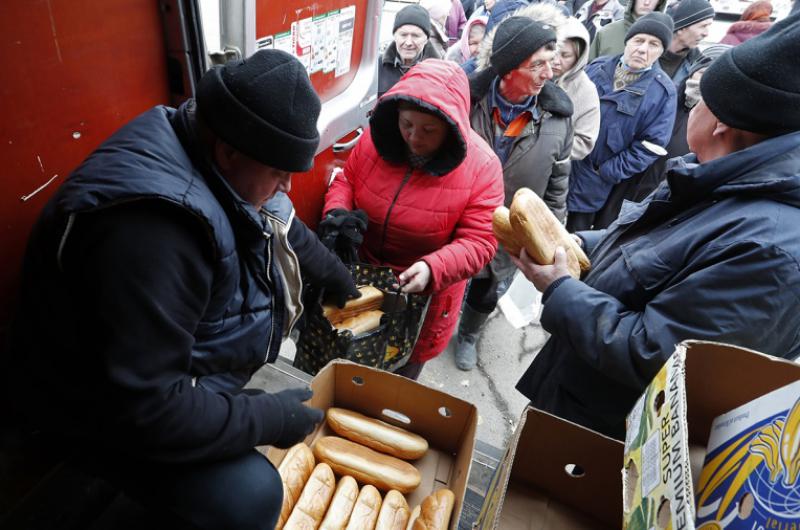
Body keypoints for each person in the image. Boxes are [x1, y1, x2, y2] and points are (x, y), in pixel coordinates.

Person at [5, 50, 361, 528]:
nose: (288, 186)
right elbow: (145, 409)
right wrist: (266, 418)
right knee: (251, 494)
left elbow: (282, 221)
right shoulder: (154, 231)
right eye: (279, 172)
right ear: (230, 151)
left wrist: (338, 278)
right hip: (86, 409)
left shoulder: (210, 140)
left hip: (155, 370)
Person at [512, 11, 800, 440]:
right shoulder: (717, 178)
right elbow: (649, 247)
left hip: (603, 439)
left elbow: (660, 354)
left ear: (722, 123)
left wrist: (559, 290)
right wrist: (575, 242)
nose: (690, 110)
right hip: (579, 395)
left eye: (698, 101)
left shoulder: (771, 249)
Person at [322, 59, 504, 381]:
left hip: (419, 299)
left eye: (429, 130)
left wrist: (434, 267)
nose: (414, 138)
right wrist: (338, 214)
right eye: (407, 124)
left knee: (393, 385)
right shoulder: (377, 140)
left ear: (452, 125)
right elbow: (346, 180)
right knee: (341, 371)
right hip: (357, 280)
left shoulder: (483, 166)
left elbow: (480, 242)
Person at [455, 13, 574, 371]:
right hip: (459, 217)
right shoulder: (467, 100)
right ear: (508, 70)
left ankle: (468, 335)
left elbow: (557, 184)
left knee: (487, 289)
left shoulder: (557, 117)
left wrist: (553, 236)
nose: (549, 73)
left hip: (510, 227)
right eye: (537, 65)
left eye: (551, 63)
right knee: (448, 276)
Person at [567, 12, 677, 232]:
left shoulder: (663, 93)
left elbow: (650, 146)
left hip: (595, 183)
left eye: (653, 44)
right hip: (564, 166)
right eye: (639, 40)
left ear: (661, 51)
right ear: (628, 41)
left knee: (573, 239)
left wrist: (606, 171)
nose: (643, 49)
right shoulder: (596, 67)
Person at [621, 44, 730, 202]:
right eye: (702, 73)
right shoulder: (663, 98)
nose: (706, 81)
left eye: (716, 77)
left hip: (665, 198)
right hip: (627, 185)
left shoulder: (721, 124)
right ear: (692, 72)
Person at [551, 16, 601, 160]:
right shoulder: (532, 72)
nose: (555, 61)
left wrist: (546, 148)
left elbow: (585, 142)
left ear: (578, 58)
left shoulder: (586, 90)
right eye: (553, 50)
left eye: (565, 55)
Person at [380, 5, 443, 98]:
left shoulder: (439, 71)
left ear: (426, 39)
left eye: (415, 36)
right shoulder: (377, 67)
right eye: (403, 35)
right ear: (395, 36)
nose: (408, 42)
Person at [589, 0, 668, 60]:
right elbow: (588, 70)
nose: (647, 2)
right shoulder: (607, 32)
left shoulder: (662, 40)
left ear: (660, 2)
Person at [659, 0, 715, 84]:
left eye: (708, 26)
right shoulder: (643, 54)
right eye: (703, 26)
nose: (706, 34)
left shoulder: (699, 66)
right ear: (681, 28)